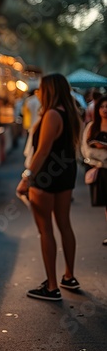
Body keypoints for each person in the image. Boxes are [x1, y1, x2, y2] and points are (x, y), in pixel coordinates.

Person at [16, 73, 82, 301]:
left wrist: (27, 177)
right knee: (64, 223)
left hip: (46, 176)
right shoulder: (70, 112)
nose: (38, 92)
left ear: (50, 91)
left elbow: (42, 150)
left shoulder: (52, 114)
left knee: (45, 229)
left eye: (41, 89)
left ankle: (52, 286)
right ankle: (69, 276)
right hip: (65, 173)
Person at [81, 94, 107, 245]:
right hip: (100, 169)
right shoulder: (92, 127)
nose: (105, 110)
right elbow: (85, 148)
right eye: (102, 107)